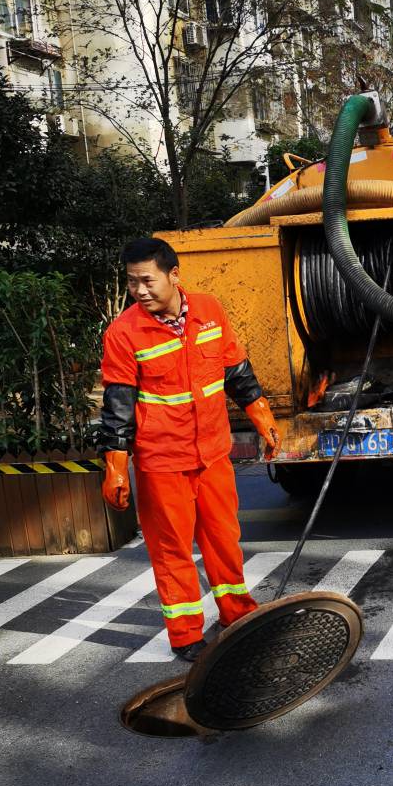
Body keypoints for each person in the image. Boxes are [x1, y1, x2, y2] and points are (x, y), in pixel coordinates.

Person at [97, 237, 282, 662]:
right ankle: (185, 635)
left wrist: (262, 417)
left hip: (213, 453)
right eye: (131, 283)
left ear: (174, 275)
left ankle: (236, 613)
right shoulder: (124, 333)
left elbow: (235, 369)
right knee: (172, 549)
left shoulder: (209, 310)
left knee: (223, 540)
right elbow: (118, 406)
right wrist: (117, 467)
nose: (139, 291)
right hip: (162, 462)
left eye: (147, 280)